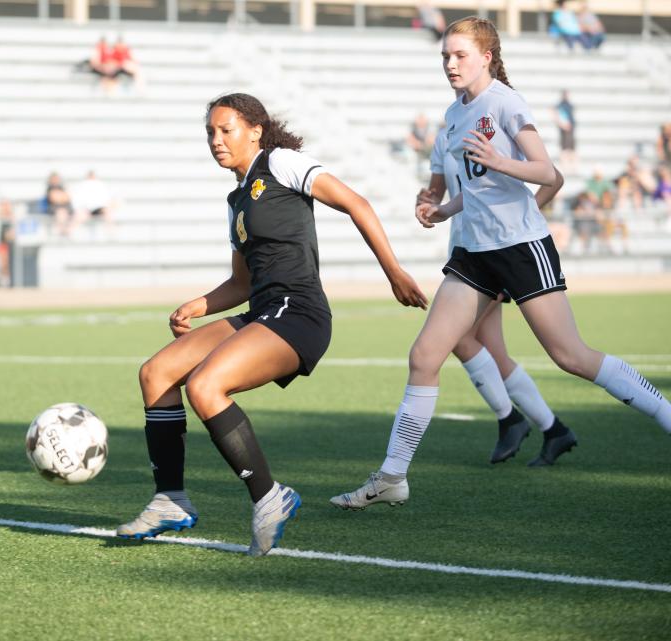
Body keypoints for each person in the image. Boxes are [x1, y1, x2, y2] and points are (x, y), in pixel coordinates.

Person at [330, 17, 671, 512]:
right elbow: (471, 189)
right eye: (445, 55)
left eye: (459, 55)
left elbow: (545, 172)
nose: (450, 64)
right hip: (473, 252)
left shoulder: (506, 102)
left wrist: (500, 163)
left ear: (486, 57)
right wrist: (440, 209)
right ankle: (392, 476)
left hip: (519, 248)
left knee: (570, 356)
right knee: (425, 356)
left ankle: (664, 413)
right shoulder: (452, 115)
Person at [115, 92, 427, 556]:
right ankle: (170, 499)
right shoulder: (235, 198)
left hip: (298, 313)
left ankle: (268, 496)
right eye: (210, 133)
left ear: (255, 130)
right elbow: (242, 282)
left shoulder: (282, 164)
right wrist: (199, 305)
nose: (216, 141)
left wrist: (394, 272)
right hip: (261, 312)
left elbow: (356, 203)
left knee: (205, 386)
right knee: (155, 372)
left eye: (226, 130)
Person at [410, 103, 570, 467]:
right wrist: (427, 203)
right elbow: (436, 191)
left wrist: (522, 215)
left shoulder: (497, 121)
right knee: (491, 349)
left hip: (496, 249)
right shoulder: (447, 134)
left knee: (462, 340)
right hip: (465, 251)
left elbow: (553, 177)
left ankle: (512, 420)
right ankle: (550, 429)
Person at [43, 172, 74, 236]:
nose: (56, 180)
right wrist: (61, 197)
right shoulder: (49, 188)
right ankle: (63, 233)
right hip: (54, 210)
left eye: (57, 179)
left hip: (67, 209)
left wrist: (60, 197)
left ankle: (67, 231)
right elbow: (54, 199)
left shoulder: (62, 187)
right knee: (61, 213)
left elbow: (67, 198)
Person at [553, 90, 577, 173]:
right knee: (564, 149)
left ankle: (572, 168)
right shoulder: (560, 106)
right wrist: (562, 124)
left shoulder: (569, 105)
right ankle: (565, 167)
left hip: (570, 129)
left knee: (572, 149)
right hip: (564, 130)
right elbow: (556, 115)